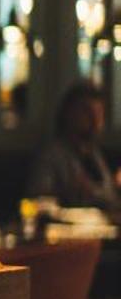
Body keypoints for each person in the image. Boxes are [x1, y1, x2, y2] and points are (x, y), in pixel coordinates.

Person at [28, 80, 121, 215]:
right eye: (87, 113)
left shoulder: (95, 154)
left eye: (99, 113)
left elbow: (109, 197)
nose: (95, 121)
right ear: (69, 114)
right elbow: (38, 199)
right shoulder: (52, 155)